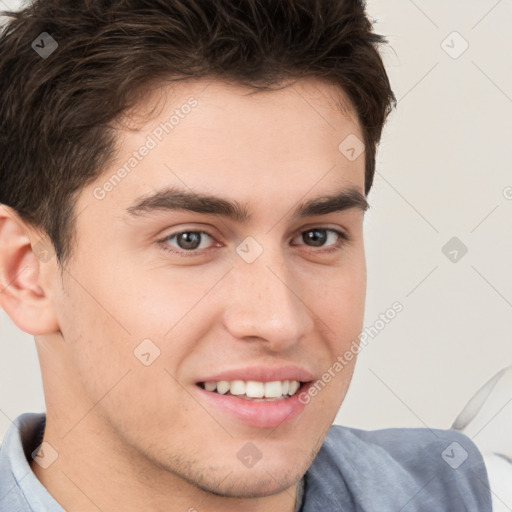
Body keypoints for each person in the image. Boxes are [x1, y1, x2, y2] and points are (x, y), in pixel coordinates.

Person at [0, 0, 507, 510]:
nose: (278, 320)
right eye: (189, 239)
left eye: (316, 236)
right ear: (25, 273)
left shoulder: (471, 490)